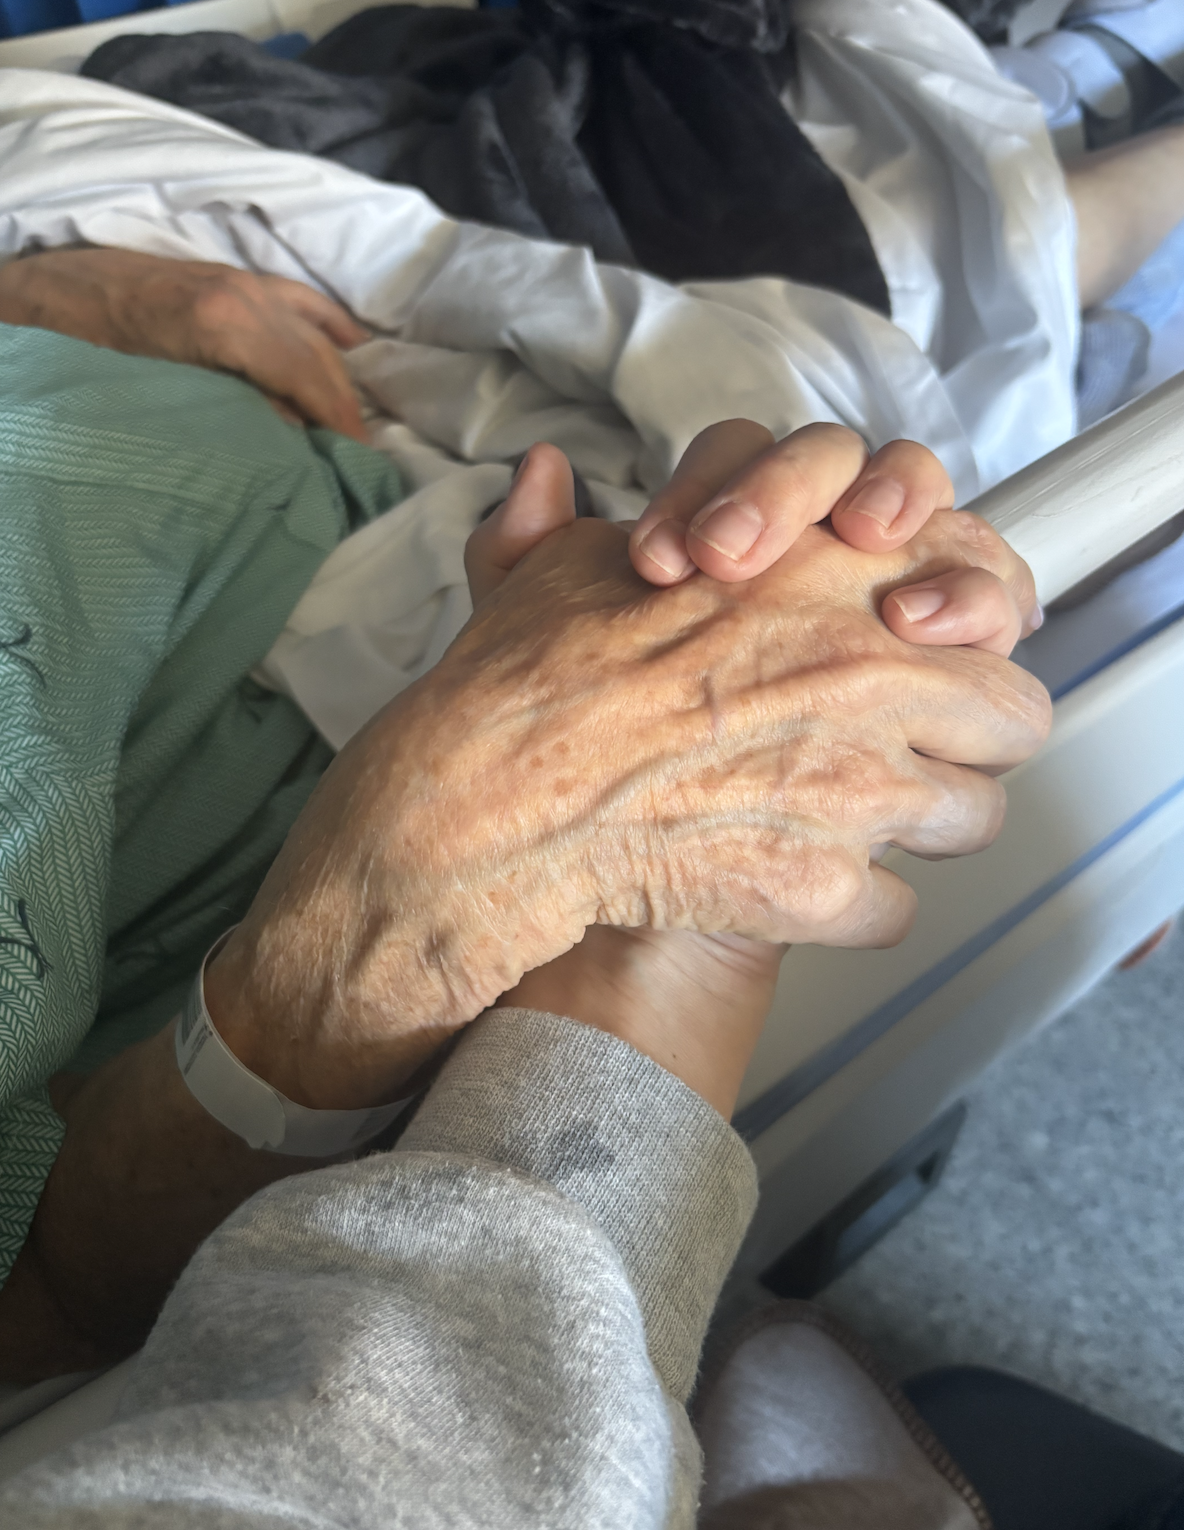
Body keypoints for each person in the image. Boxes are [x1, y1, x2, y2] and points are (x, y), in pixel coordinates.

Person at [0, 251, 1048, 1387]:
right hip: (369, 622)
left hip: (277, 382)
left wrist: (45, 286)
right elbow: (47, 1300)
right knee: (951, 255)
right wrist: (445, 869)